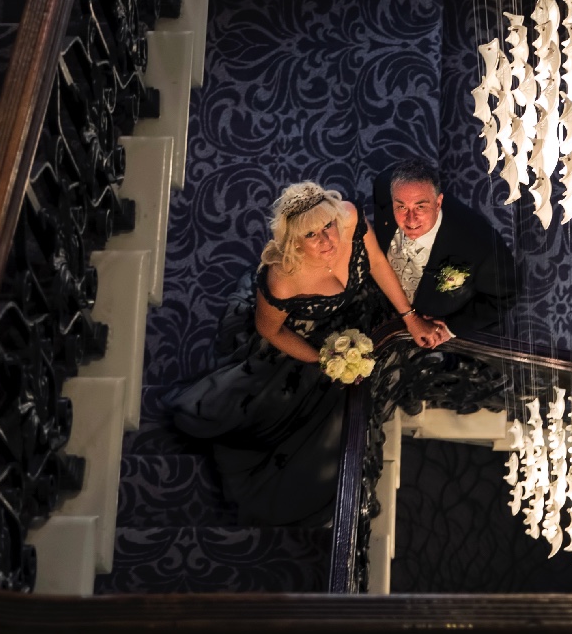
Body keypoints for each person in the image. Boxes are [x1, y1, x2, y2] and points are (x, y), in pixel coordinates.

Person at [172, 181, 442, 528]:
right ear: (294, 240)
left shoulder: (350, 218)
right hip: (312, 338)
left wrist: (409, 316)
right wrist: (323, 360)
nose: (327, 240)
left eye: (328, 226)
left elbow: (375, 261)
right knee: (325, 420)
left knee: (397, 353)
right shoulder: (283, 278)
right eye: (311, 235)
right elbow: (270, 331)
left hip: (362, 310)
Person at [372, 161, 517, 336]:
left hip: (436, 332)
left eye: (420, 207)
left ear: (438, 203)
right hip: (383, 313)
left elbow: (506, 296)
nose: (410, 220)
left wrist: (449, 329)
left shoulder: (481, 245)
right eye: (401, 207)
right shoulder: (383, 187)